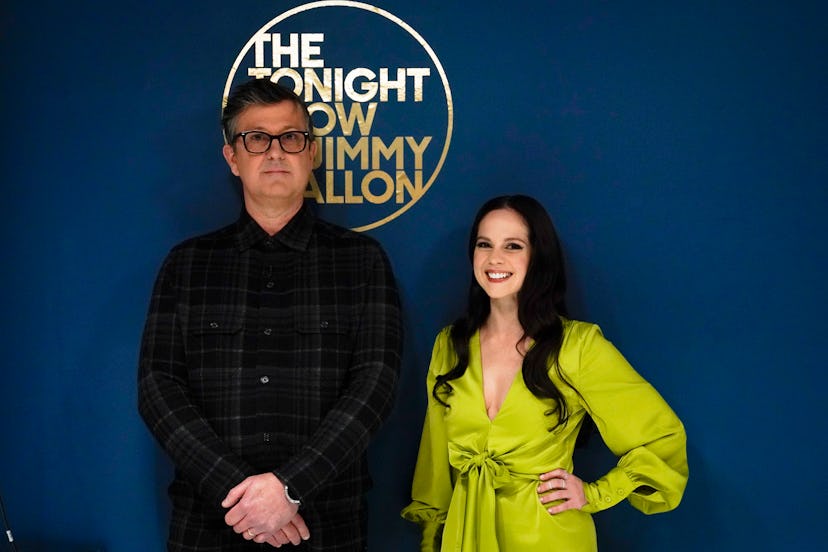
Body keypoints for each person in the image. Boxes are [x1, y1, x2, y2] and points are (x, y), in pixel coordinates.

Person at [138, 78, 403, 551]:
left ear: (312, 153)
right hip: (209, 522)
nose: (275, 152)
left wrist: (290, 487)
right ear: (232, 158)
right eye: (256, 138)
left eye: (291, 138)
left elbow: (375, 383)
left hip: (326, 524)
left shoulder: (362, 260)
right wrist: (242, 494)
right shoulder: (187, 264)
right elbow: (159, 388)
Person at [401, 195, 688, 551]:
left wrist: (596, 494)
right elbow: (434, 472)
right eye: (484, 244)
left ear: (538, 255)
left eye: (513, 246)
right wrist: (432, 542)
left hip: (550, 537)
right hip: (465, 536)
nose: (495, 258)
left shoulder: (578, 347)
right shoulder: (450, 346)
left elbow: (662, 437)